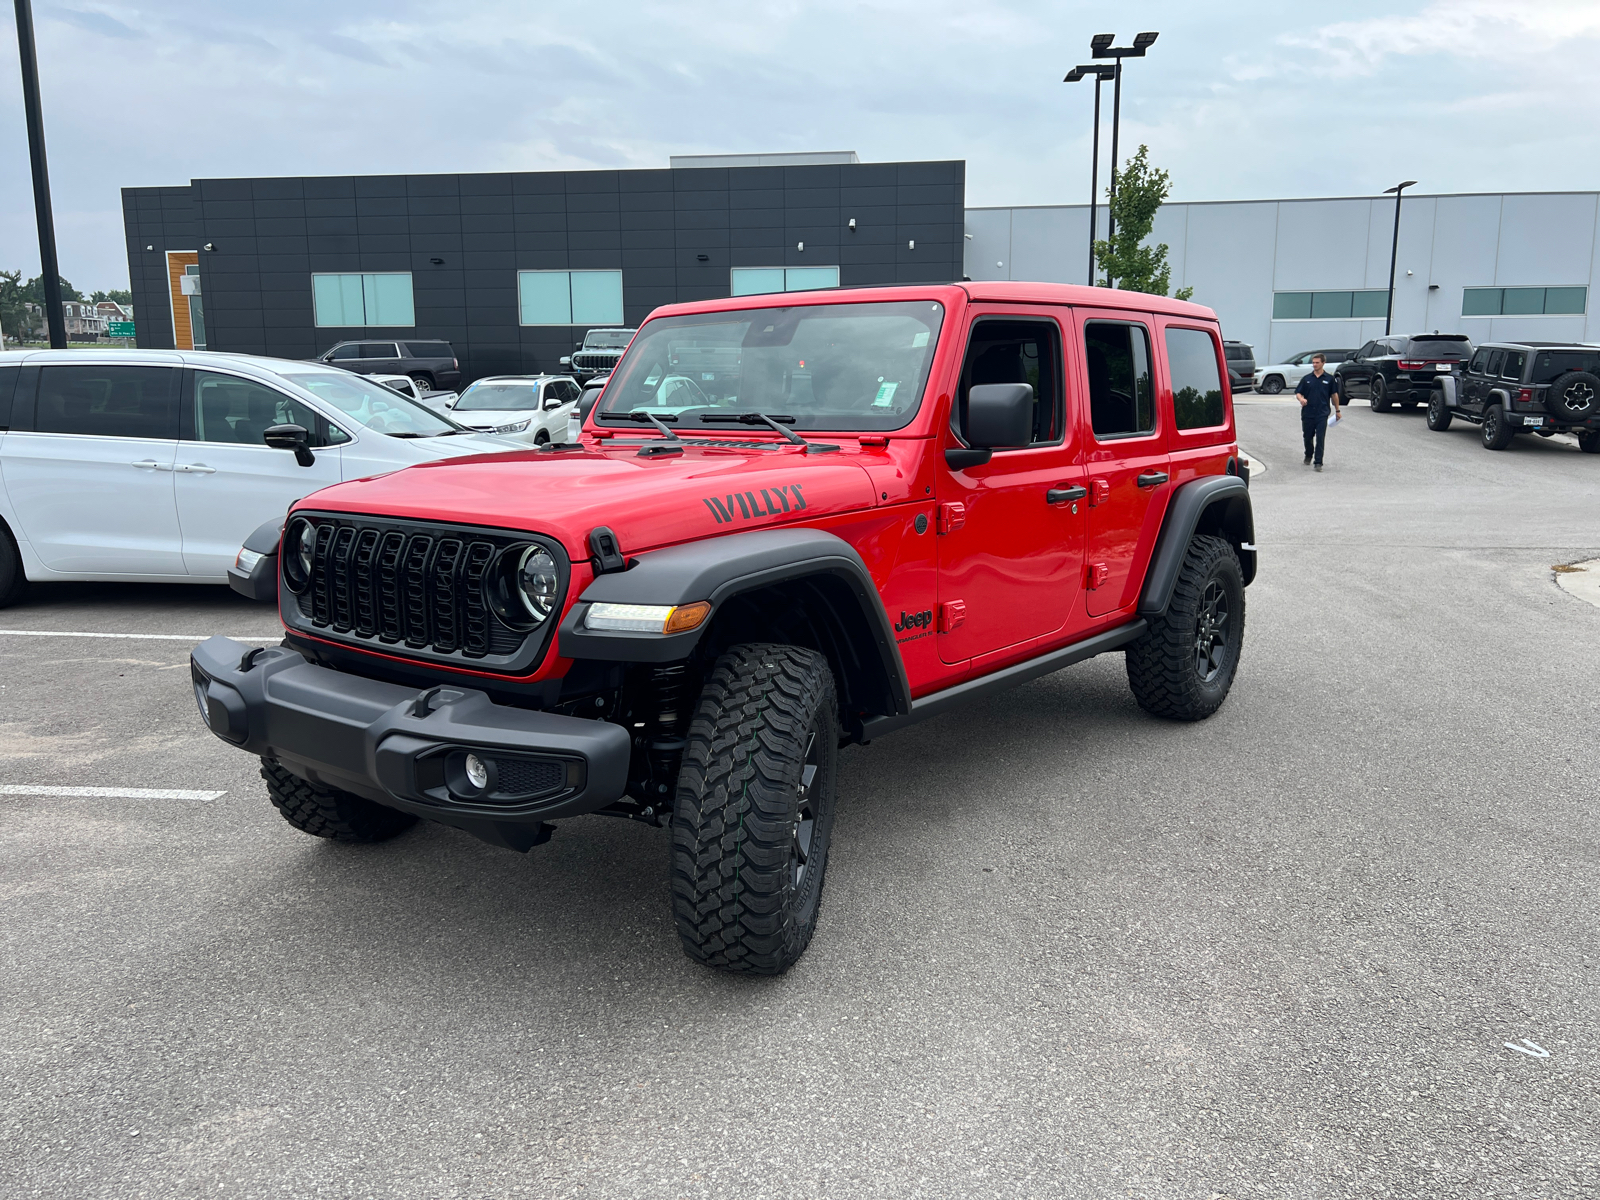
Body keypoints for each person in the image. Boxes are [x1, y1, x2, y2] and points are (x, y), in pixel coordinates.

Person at [1296, 353, 1341, 471]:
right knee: (1307, 436)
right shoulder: (1307, 379)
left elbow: (1334, 395)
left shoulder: (1329, 379)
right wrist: (1301, 399)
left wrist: (1337, 410)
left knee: (1320, 437)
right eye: (1313, 363)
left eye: (1317, 362)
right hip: (1308, 412)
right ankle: (1308, 454)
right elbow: (1298, 392)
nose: (1314, 365)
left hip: (1322, 413)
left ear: (1323, 363)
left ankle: (1318, 462)